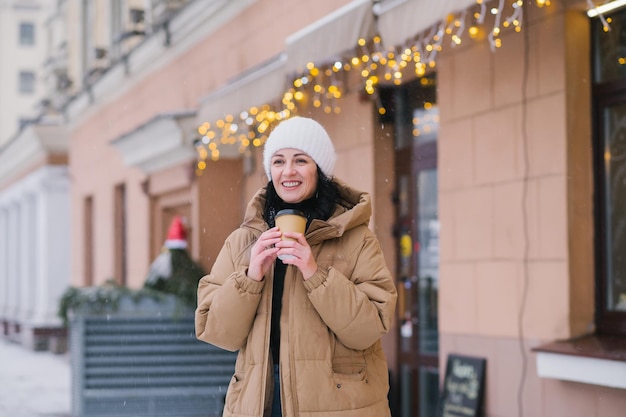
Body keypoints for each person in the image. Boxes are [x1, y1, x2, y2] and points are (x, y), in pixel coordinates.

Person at [195, 116, 397, 417]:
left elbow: (369, 329)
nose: (288, 171)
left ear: (320, 170)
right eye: (278, 161)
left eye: (300, 160)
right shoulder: (243, 242)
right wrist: (251, 276)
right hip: (259, 402)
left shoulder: (357, 240)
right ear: (269, 171)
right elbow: (216, 331)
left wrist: (316, 274)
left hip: (339, 406)